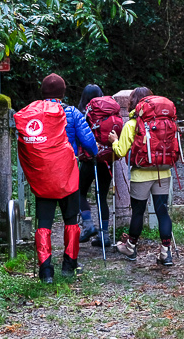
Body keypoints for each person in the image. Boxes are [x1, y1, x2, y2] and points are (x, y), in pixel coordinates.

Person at [37, 73, 98, 282]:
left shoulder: (35, 113)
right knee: (71, 221)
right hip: (68, 175)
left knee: (44, 222)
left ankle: (46, 271)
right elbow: (89, 142)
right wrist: (94, 152)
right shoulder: (72, 113)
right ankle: (68, 266)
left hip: (44, 175)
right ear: (63, 93)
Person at [107, 87, 174, 266]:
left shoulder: (132, 124)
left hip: (141, 174)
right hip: (163, 171)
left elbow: (120, 151)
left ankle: (131, 247)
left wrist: (114, 141)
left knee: (138, 212)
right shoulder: (164, 122)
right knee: (162, 212)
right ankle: (166, 253)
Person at [77, 84, 113, 247]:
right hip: (106, 160)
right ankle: (104, 236)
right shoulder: (109, 112)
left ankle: (88, 224)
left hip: (88, 161)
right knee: (102, 198)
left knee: (80, 193)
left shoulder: (84, 113)